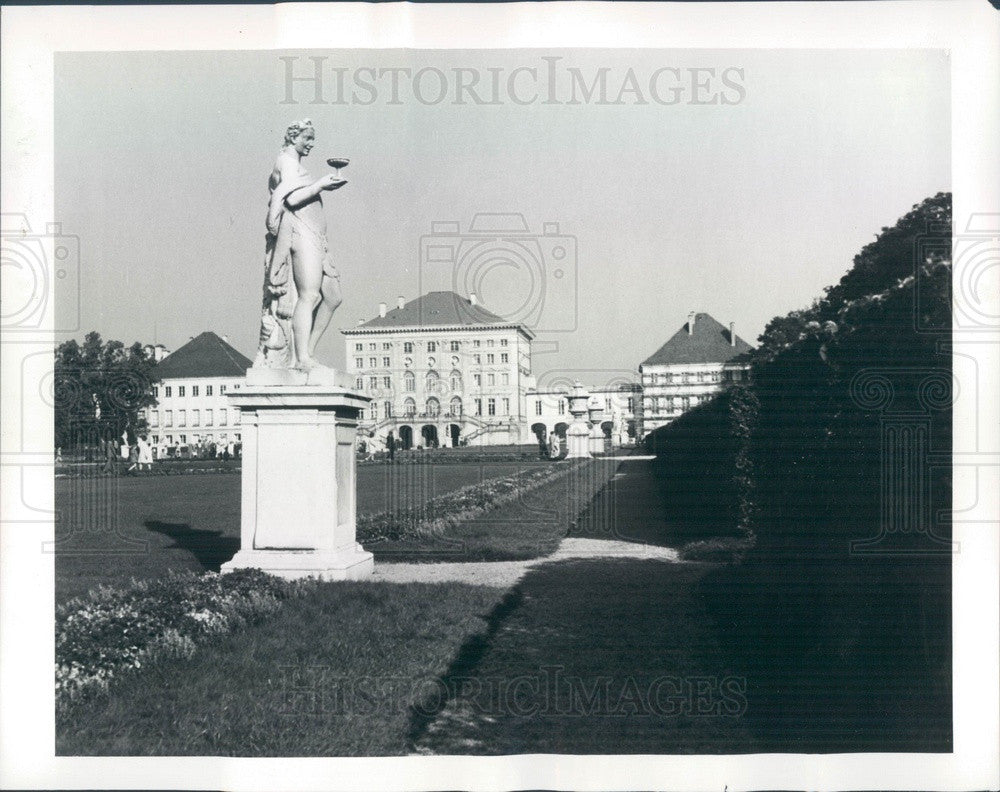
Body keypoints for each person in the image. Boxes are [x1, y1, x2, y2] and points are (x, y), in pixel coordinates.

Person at [254, 119, 348, 371]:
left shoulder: (294, 164)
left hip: (316, 238)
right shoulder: (286, 161)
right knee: (309, 295)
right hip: (300, 233)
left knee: (333, 297)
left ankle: (306, 353)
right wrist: (320, 186)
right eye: (308, 138)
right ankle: (302, 359)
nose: (312, 144)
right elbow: (292, 198)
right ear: (294, 137)